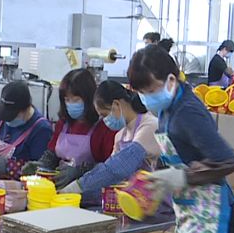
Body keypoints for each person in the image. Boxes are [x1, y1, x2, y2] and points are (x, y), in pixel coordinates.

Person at [128, 44, 234, 233]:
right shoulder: (167, 108)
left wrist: (181, 177)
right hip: (190, 210)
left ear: (171, 81)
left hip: (212, 214)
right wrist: (157, 180)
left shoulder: (187, 112)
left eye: (150, 91)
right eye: (142, 93)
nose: (146, 98)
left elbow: (228, 161)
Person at [58, 81, 170, 217]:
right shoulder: (120, 136)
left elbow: (118, 168)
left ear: (116, 104)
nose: (105, 120)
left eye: (105, 115)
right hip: (132, 207)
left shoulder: (149, 126)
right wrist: (77, 197)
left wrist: (78, 186)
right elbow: (109, 178)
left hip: (158, 207)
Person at [30, 69, 116, 187]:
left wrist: (80, 171)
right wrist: (42, 165)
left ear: (89, 98)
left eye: (76, 100)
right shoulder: (63, 123)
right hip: (60, 188)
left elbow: (111, 168)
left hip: (89, 191)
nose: (71, 104)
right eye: (67, 100)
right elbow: (52, 154)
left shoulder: (105, 127)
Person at [0, 80, 53, 181]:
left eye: (11, 116)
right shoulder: (3, 116)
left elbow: (38, 169)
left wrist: (9, 167)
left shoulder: (41, 129)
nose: (7, 120)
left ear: (26, 109)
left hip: (20, 187)